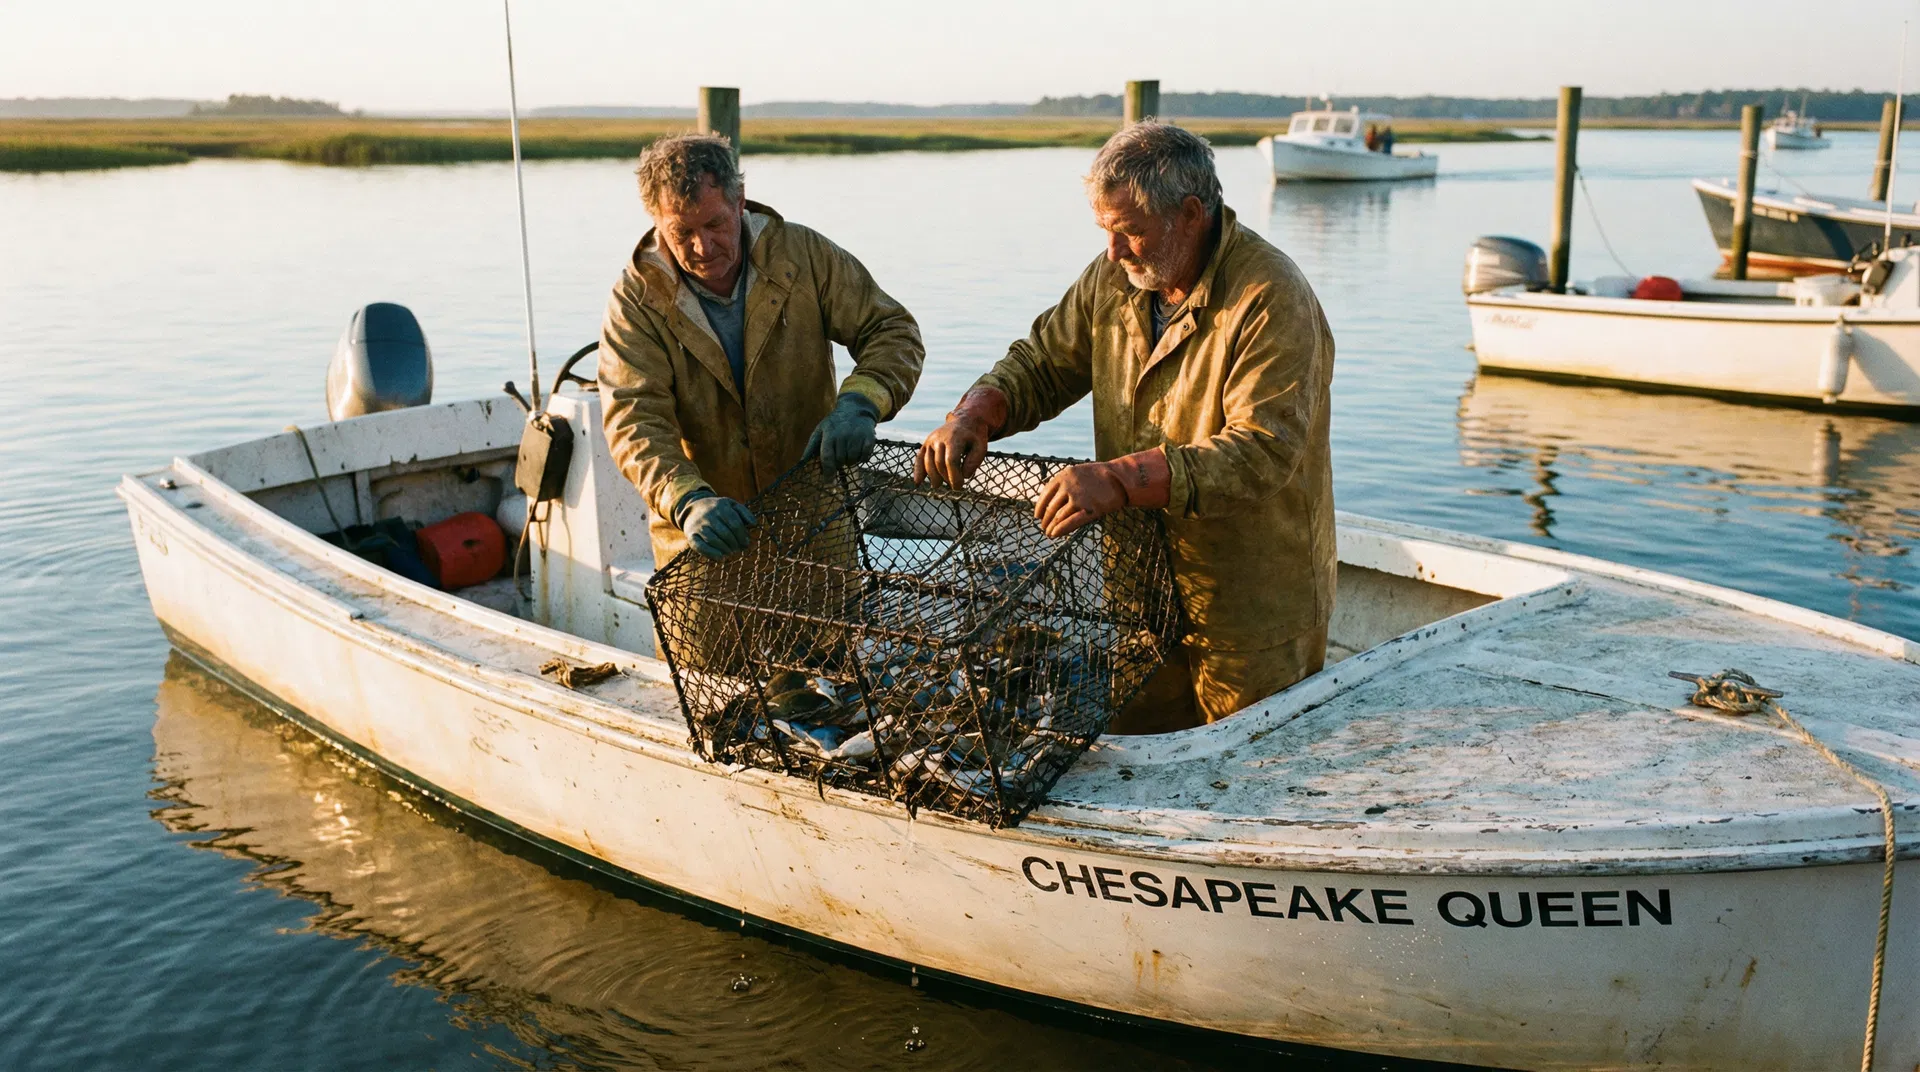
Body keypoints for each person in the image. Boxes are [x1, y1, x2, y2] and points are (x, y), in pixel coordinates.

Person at [915, 122, 1336, 734]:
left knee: (1247, 772)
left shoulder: (1271, 297)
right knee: (1141, 756)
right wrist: (974, 413)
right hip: (1140, 593)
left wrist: (1120, 478)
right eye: (1105, 231)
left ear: (1191, 214)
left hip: (1251, 608)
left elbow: (1262, 451)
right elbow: (1041, 362)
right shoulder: (1116, 278)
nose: (1113, 251)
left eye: (1131, 231)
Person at [599, 134, 923, 567]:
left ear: (739, 203)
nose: (703, 247)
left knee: (830, 635)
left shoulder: (804, 254)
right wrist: (686, 500)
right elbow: (633, 418)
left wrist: (861, 403)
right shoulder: (634, 301)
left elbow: (891, 330)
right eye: (682, 232)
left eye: (714, 224)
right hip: (706, 545)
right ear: (656, 221)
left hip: (817, 526)